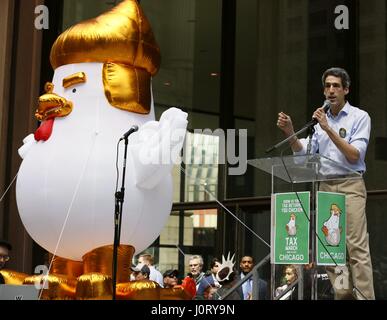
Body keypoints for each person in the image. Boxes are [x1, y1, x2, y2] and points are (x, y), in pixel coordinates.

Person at [277, 67, 374, 300]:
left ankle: (365, 298)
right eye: (327, 86)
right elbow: (305, 156)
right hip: (325, 186)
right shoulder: (319, 121)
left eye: (336, 86)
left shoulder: (359, 117)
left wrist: (328, 129)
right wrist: (290, 132)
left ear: (346, 90)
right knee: (333, 251)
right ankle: (344, 296)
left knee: (356, 249)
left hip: (350, 185)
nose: (331, 90)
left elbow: (354, 155)